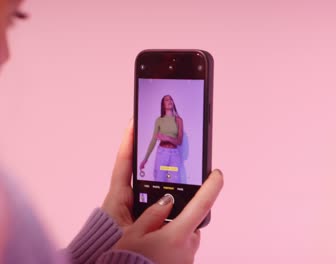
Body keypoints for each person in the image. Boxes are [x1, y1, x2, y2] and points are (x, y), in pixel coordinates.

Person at [0, 1, 224, 263]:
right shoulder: (7, 202)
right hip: (161, 156)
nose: (7, 53)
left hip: (173, 157)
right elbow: (154, 140)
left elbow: (176, 139)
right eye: (9, 19)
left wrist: (107, 237)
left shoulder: (180, 119)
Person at [140, 95, 184, 183]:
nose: (169, 101)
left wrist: (167, 138)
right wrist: (145, 159)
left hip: (174, 155)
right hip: (161, 154)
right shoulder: (159, 120)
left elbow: (179, 141)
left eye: (171, 99)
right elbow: (153, 140)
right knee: (159, 182)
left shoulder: (179, 120)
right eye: (166, 100)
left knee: (174, 183)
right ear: (163, 105)